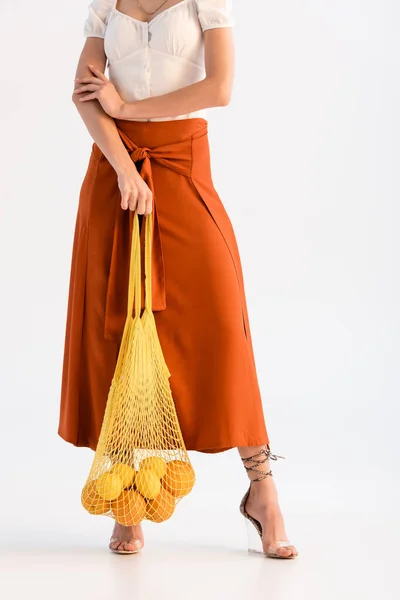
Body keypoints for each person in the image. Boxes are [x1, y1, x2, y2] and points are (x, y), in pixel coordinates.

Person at [58, 0, 298, 559]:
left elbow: (219, 88)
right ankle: (129, 501)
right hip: (113, 173)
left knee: (222, 330)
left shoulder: (204, 3)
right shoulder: (105, 6)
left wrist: (127, 102)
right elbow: (83, 95)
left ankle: (262, 490)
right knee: (118, 331)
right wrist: (122, 167)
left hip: (183, 168)